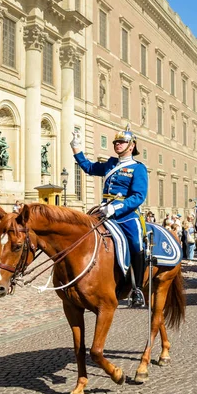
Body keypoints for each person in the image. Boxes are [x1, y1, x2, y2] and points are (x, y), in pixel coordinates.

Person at [71, 124, 148, 308]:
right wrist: (76, 148)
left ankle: (137, 289)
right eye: (116, 142)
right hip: (103, 210)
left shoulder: (138, 168)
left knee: (136, 243)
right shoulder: (111, 164)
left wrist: (116, 208)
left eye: (122, 142)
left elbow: (138, 196)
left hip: (126, 215)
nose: (117, 144)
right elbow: (89, 168)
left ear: (131, 145)